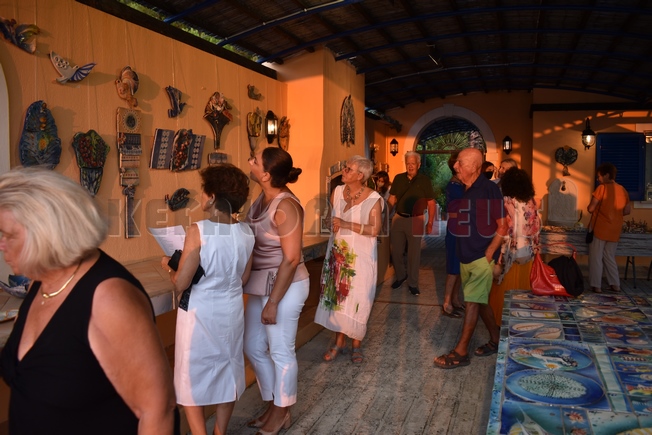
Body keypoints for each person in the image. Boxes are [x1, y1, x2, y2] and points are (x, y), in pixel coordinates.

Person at [0, 167, 176, 434]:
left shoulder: (109, 298)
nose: (2, 244)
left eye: (9, 235)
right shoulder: (43, 283)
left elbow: (157, 411)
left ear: (47, 233)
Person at [161, 164, 254, 435]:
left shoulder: (198, 230)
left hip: (200, 312)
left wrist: (168, 264)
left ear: (212, 197)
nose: (201, 196)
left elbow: (181, 282)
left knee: (193, 373)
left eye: (203, 191)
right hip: (232, 308)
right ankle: (219, 432)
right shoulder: (247, 232)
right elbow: (244, 278)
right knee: (228, 368)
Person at [243, 147, 309, 435]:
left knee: (281, 351)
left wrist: (273, 302)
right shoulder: (261, 198)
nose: (250, 162)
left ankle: (281, 413)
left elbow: (291, 259)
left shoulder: (286, 206)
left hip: (286, 287)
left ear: (266, 174)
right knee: (252, 346)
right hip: (261, 284)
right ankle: (274, 404)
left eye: (255, 160)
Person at [434, 148, 506, 369]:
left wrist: (490, 252)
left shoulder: (489, 190)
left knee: (472, 301)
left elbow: (503, 225)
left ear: (475, 166)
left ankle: (461, 352)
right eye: (456, 163)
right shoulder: (465, 189)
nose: (455, 166)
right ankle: (496, 339)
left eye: (460, 163)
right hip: (465, 255)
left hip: (480, 257)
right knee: (481, 301)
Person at [315, 156, 383, 364]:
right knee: (339, 298)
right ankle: (339, 342)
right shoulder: (337, 192)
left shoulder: (373, 198)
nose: (343, 171)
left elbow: (375, 230)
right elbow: (331, 219)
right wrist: (331, 222)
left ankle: (356, 344)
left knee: (358, 298)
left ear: (360, 175)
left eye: (348, 169)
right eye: (345, 167)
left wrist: (345, 223)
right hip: (337, 255)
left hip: (360, 258)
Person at [388, 151, 436, 296]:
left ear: (418, 164)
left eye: (413, 163)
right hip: (398, 218)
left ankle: (413, 283)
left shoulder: (425, 180)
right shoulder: (398, 178)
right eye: (408, 163)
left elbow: (431, 203)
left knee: (413, 254)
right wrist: (384, 215)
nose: (410, 166)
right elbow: (392, 199)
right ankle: (401, 276)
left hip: (416, 219)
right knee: (395, 251)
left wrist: (430, 223)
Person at [588, 162, 631, 293]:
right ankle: (615, 284)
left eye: (599, 176)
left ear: (606, 175)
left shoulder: (602, 188)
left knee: (596, 257)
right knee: (609, 257)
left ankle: (596, 285)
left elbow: (591, 208)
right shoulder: (622, 190)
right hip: (615, 229)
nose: (598, 179)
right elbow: (627, 211)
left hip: (600, 228)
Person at [494, 167, 541, 285]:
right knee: (523, 285)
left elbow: (506, 228)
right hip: (527, 251)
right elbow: (536, 227)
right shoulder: (532, 202)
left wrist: (499, 251)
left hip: (510, 251)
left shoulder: (507, 202)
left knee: (505, 287)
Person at [443, 152, 465, 318]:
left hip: (463, 229)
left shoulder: (461, 184)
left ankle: (455, 298)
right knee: (453, 267)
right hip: (455, 229)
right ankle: (447, 303)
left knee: (460, 267)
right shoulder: (454, 186)